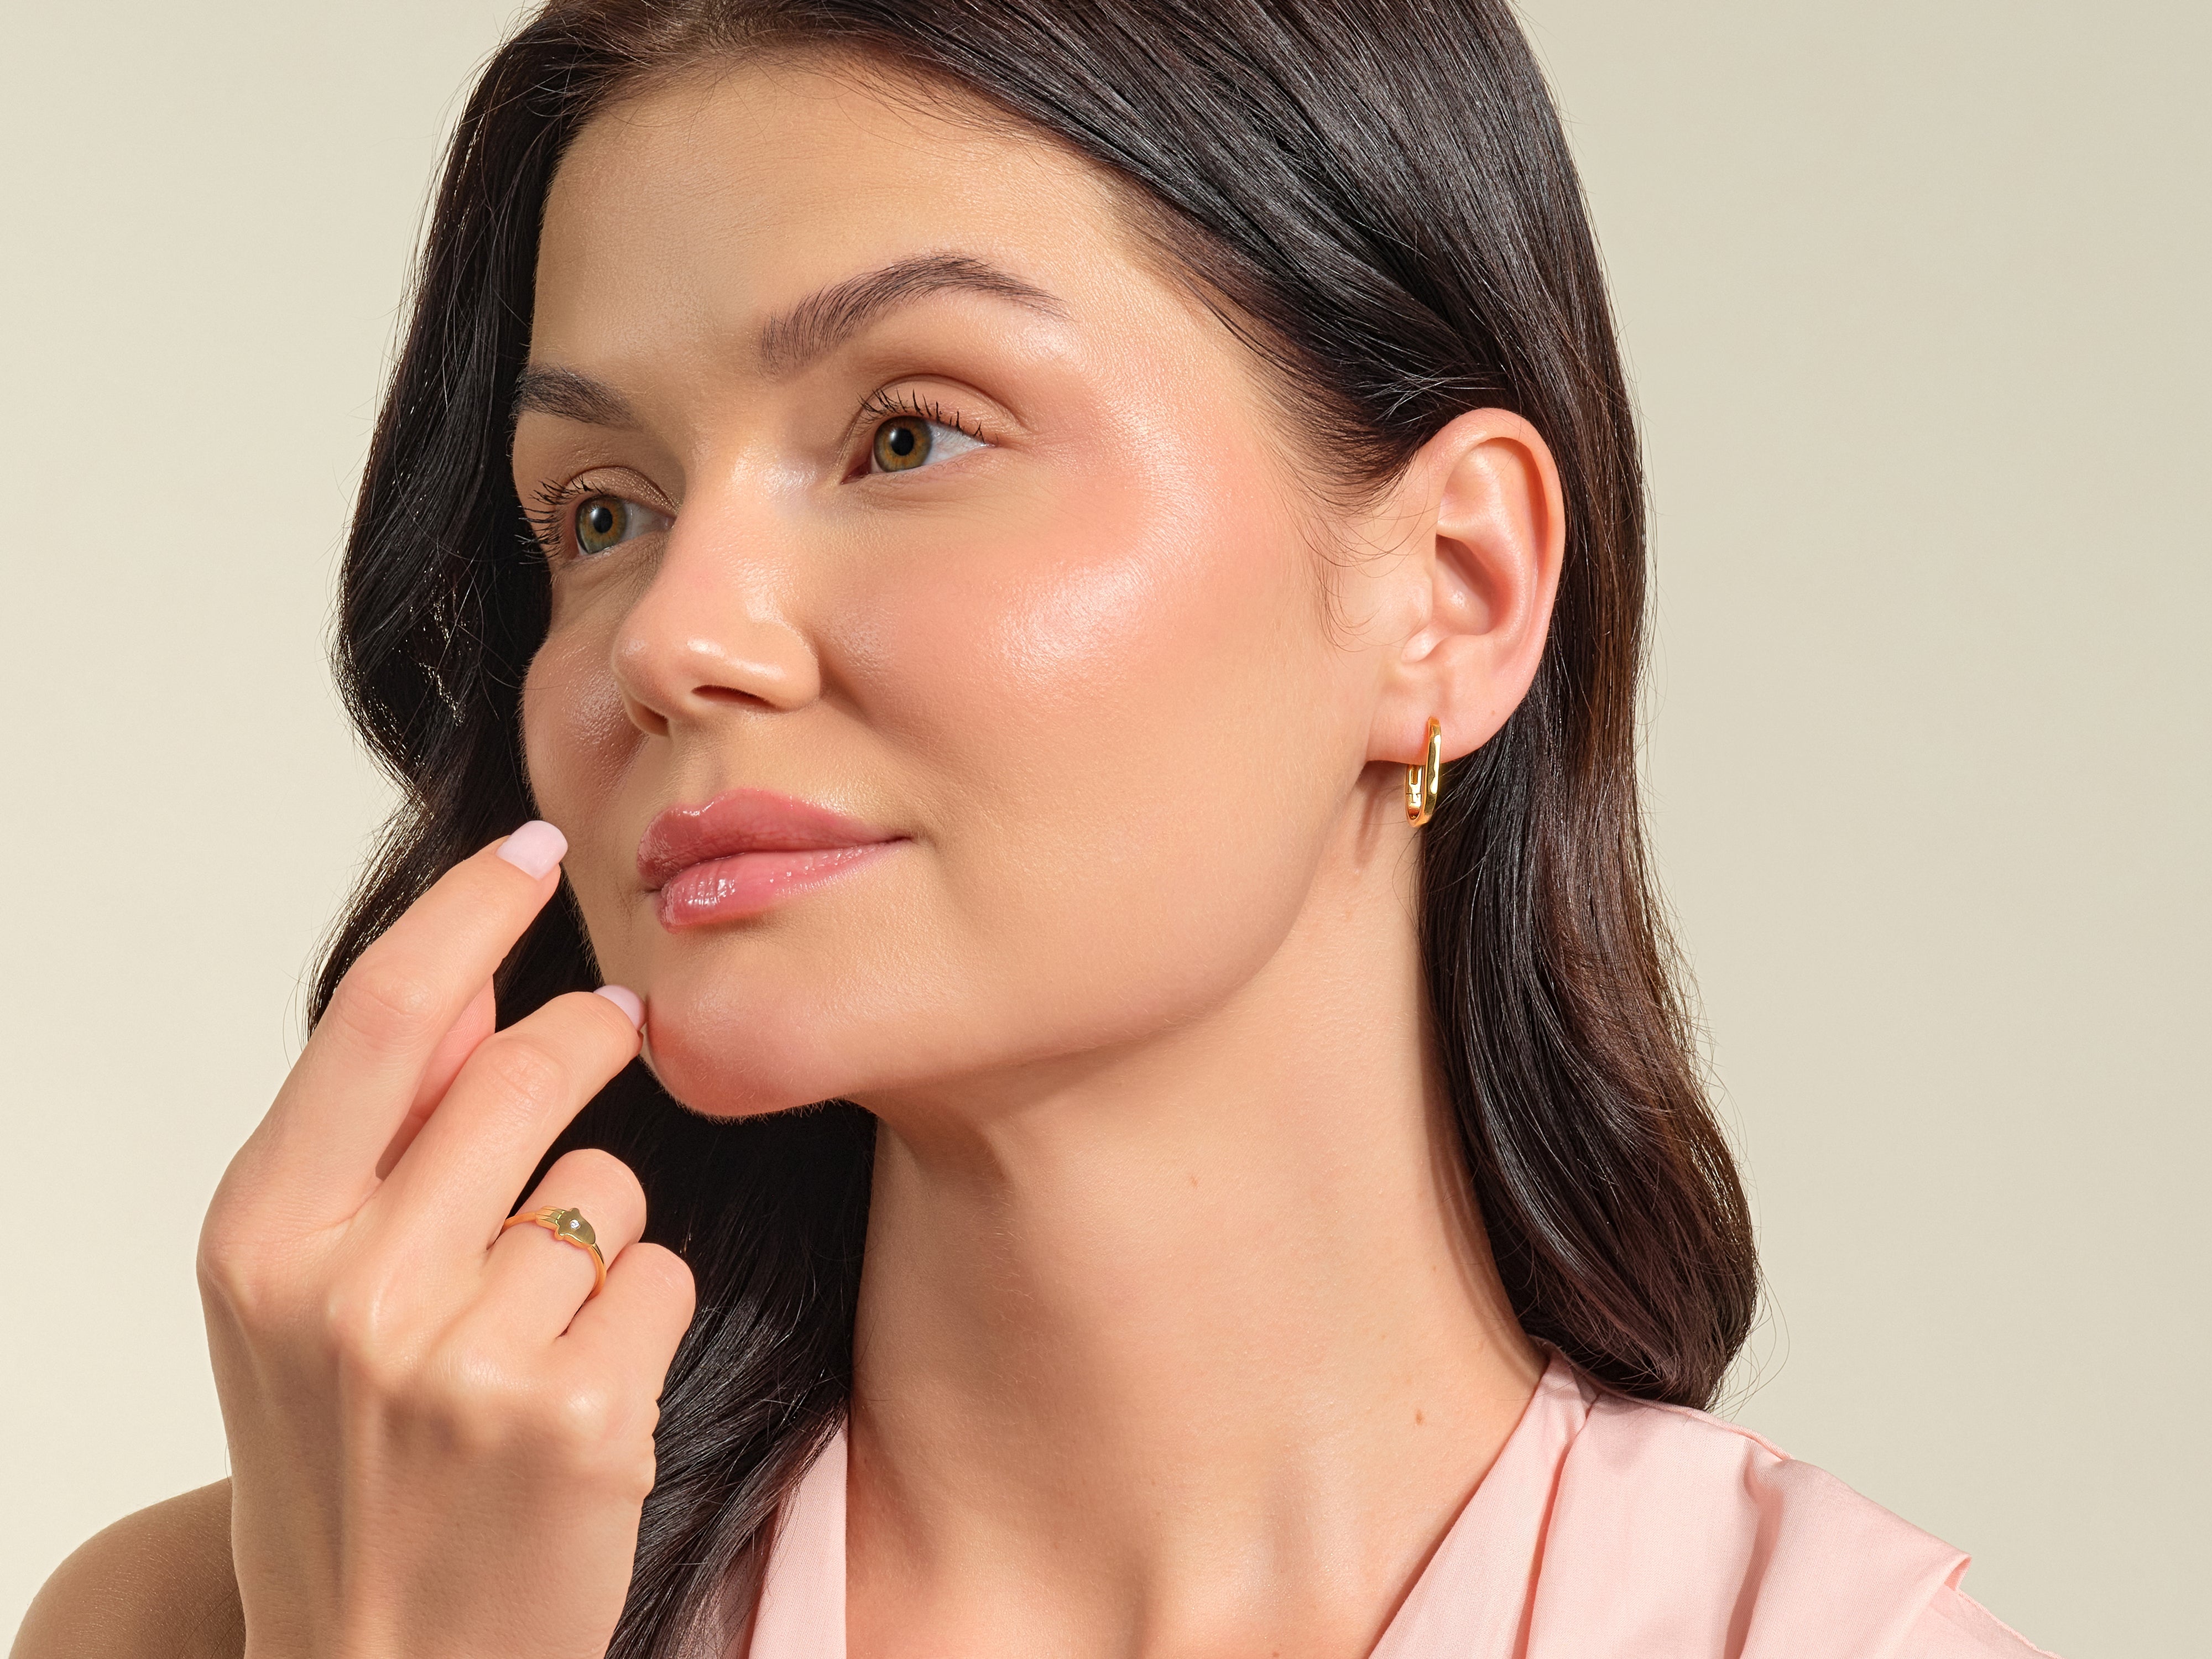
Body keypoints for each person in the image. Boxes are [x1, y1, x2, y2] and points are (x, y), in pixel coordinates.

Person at [15, 3, 2056, 1656]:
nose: (675, 638)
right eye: (599, 512)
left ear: (1451, 591)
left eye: (909, 433)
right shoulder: (229, 1621)